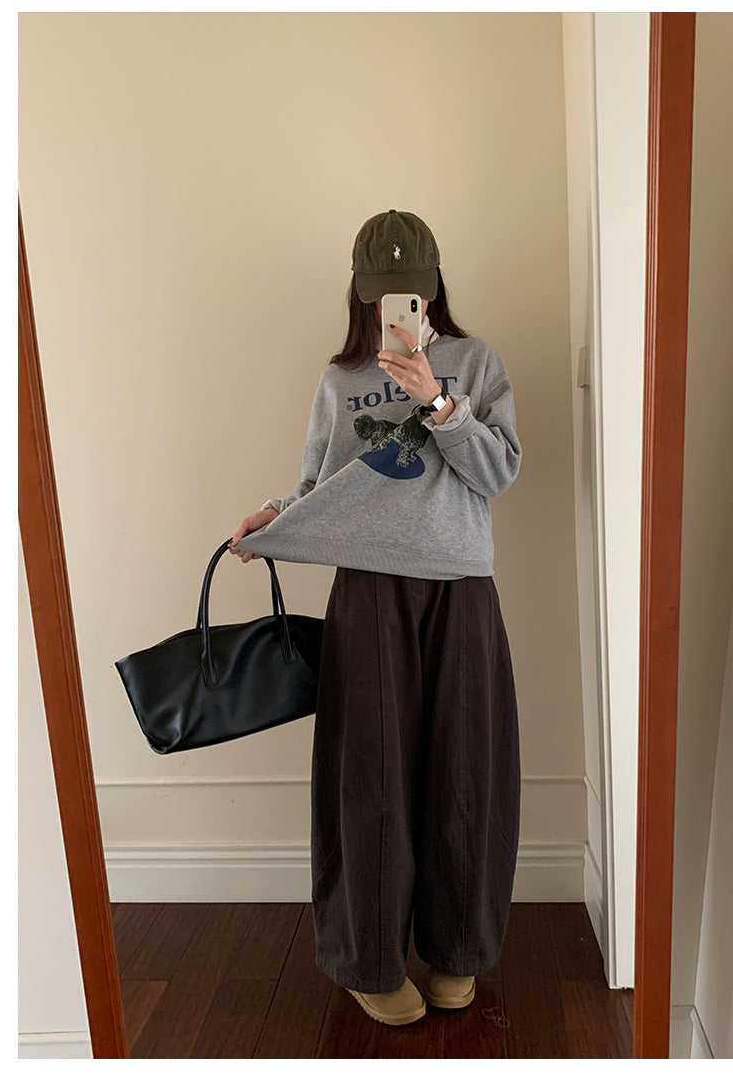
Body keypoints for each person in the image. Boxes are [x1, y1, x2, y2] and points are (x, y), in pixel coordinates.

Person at [228, 210, 521, 1027]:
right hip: (367, 590)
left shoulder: (477, 362)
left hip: (460, 588)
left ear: (432, 289)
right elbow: (321, 485)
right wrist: (273, 514)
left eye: (412, 292)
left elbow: (498, 473)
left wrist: (439, 400)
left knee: (466, 770)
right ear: (363, 294)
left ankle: (458, 948)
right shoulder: (339, 379)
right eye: (387, 293)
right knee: (369, 778)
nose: (400, 306)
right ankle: (369, 959)